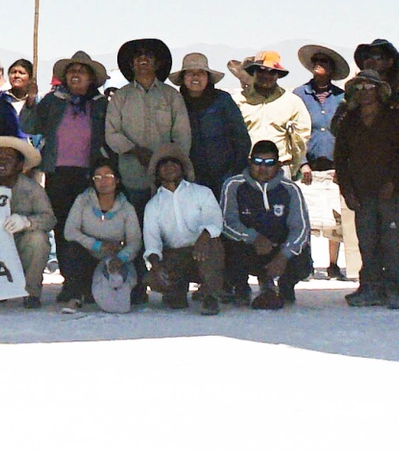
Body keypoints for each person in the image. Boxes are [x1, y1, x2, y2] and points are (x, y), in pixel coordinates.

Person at [31, 51, 111, 307]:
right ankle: (70, 282)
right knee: (63, 228)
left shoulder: (100, 104)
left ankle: (88, 282)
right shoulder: (53, 101)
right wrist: (32, 100)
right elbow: (30, 124)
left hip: (89, 174)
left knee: (89, 228)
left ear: (91, 79)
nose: (76, 75)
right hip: (58, 173)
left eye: (82, 71)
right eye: (72, 71)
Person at [332, 70, 399, 308]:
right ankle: (370, 287)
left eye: (370, 87)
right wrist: (347, 189)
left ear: (379, 90)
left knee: (392, 242)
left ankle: (397, 289)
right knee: (366, 242)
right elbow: (341, 158)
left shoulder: (394, 117)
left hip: (392, 191)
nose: (365, 93)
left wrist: (393, 182)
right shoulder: (349, 120)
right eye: (360, 88)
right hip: (361, 190)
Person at [104, 37, 192, 224]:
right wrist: (135, 150)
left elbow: (182, 135)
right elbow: (111, 133)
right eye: (137, 55)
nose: (143, 58)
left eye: (149, 55)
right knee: (136, 226)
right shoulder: (121, 97)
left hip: (167, 177)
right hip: (132, 176)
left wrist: (172, 164)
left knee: (168, 225)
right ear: (131, 64)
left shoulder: (171, 96)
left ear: (158, 63)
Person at [219, 142, 310, 309]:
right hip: (248, 246)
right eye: (257, 162)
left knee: (302, 257)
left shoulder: (290, 189)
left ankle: (285, 286)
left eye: (269, 163)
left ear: (278, 164)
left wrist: (284, 255)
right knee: (226, 246)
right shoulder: (233, 185)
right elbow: (227, 223)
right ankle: (240, 287)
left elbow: (301, 228)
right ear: (249, 162)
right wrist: (253, 238)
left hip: (278, 248)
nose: (263, 168)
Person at [141, 153, 226, 314]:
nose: (169, 166)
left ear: (183, 168)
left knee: (213, 245)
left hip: (202, 250)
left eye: (174, 162)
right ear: (157, 172)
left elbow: (215, 222)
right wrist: (156, 266)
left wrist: (204, 237)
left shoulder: (202, 192)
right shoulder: (153, 205)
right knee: (155, 281)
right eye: (163, 164)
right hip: (175, 255)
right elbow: (152, 241)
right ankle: (175, 291)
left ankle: (210, 295)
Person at [0, 136, 55, 308]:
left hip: (21, 245)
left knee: (38, 239)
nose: (2, 163)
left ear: (20, 166)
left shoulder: (33, 189)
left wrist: (26, 222)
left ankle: (31, 293)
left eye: (9, 159)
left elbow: (50, 219)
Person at [294, 45, 349, 281]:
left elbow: (347, 132)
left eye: (324, 62)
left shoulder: (342, 97)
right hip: (309, 163)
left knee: (335, 218)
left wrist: (344, 165)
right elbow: (294, 131)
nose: (319, 64)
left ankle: (333, 264)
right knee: (305, 216)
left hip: (335, 164)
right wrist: (302, 162)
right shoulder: (299, 94)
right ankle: (307, 263)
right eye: (316, 61)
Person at [60, 160, 141, 313]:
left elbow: (135, 241)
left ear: (117, 180)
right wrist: (97, 245)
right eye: (97, 177)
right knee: (72, 248)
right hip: (87, 257)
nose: (102, 181)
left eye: (107, 176)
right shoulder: (83, 201)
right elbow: (69, 232)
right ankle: (76, 296)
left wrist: (121, 257)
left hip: (115, 259)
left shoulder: (126, 207)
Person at [174, 53, 249, 195]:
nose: (195, 77)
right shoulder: (176, 102)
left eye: (200, 73)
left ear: (208, 78)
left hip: (226, 175)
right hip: (190, 178)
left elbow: (241, 138)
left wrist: (236, 172)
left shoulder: (223, 100)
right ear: (183, 78)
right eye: (190, 73)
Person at [230, 51, 311, 179]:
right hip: (246, 166)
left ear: (278, 74)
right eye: (261, 70)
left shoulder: (292, 102)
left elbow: (300, 139)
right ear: (254, 72)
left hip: (280, 167)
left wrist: (295, 167)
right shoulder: (237, 101)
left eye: (272, 72)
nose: (266, 75)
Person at [0, 59, 36, 139]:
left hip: (31, 149)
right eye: (13, 72)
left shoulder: (38, 102)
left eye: (21, 73)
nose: (16, 75)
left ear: (30, 78)